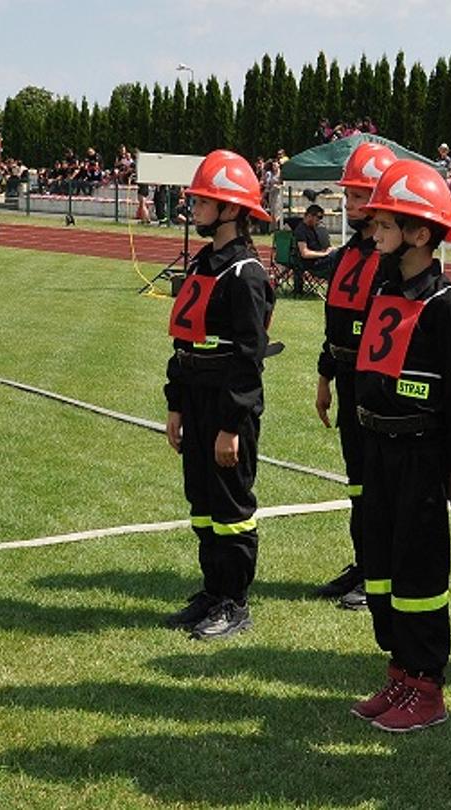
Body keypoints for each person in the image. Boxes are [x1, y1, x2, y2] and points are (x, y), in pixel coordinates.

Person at [347, 159, 451, 733]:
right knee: (381, 568)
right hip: (377, 452)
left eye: (385, 225)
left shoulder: (448, 305)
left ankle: (426, 685)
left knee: (419, 573)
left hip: (420, 458)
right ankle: (400, 671)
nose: (373, 233)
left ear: (421, 233)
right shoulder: (385, 287)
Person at [162, 149, 276, 641]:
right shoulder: (205, 263)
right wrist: (175, 403)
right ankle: (212, 591)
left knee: (230, 509)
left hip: (227, 409)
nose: (196, 207)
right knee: (202, 502)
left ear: (231, 210)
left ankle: (234, 601)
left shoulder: (246, 274)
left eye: (205, 201)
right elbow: (184, 342)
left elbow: (249, 359)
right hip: (196, 399)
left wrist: (232, 425)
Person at [310, 142, 398, 609]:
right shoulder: (348, 254)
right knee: (359, 485)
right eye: (350, 197)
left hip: (375, 387)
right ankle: (364, 564)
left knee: (379, 486)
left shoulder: (391, 264)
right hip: (346, 380)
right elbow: (335, 323)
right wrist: (326, 377)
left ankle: (380, 571)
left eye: (360, 196)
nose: (351, 205)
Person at [293, 204, 337, 271]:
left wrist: (328, 250)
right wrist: (324, 254)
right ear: (309, 216)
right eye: (318, 218)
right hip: (312, 263)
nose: (319, 221)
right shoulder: (301, 230)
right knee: (336, 258)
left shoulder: (312, 228)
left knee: (341, 252)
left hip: (319, 258)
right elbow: (305, 253)